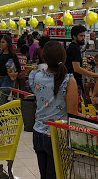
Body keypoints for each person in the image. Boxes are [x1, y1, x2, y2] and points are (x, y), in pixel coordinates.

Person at [29, 40, 86, 179]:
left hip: (38, 132)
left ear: (44, 57)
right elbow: (72, 113)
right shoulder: (68, 80)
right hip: (57, 134)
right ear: (63, 57)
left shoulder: (35, 76)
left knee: (44, 175)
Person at [65, 25, 98, 92]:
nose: (83, 38)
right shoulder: (74, 48)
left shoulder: (73, 46)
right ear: (74, 37)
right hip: (74, 81)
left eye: (84, 36)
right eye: (81, 36)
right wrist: (93, 74)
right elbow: (76, 68)